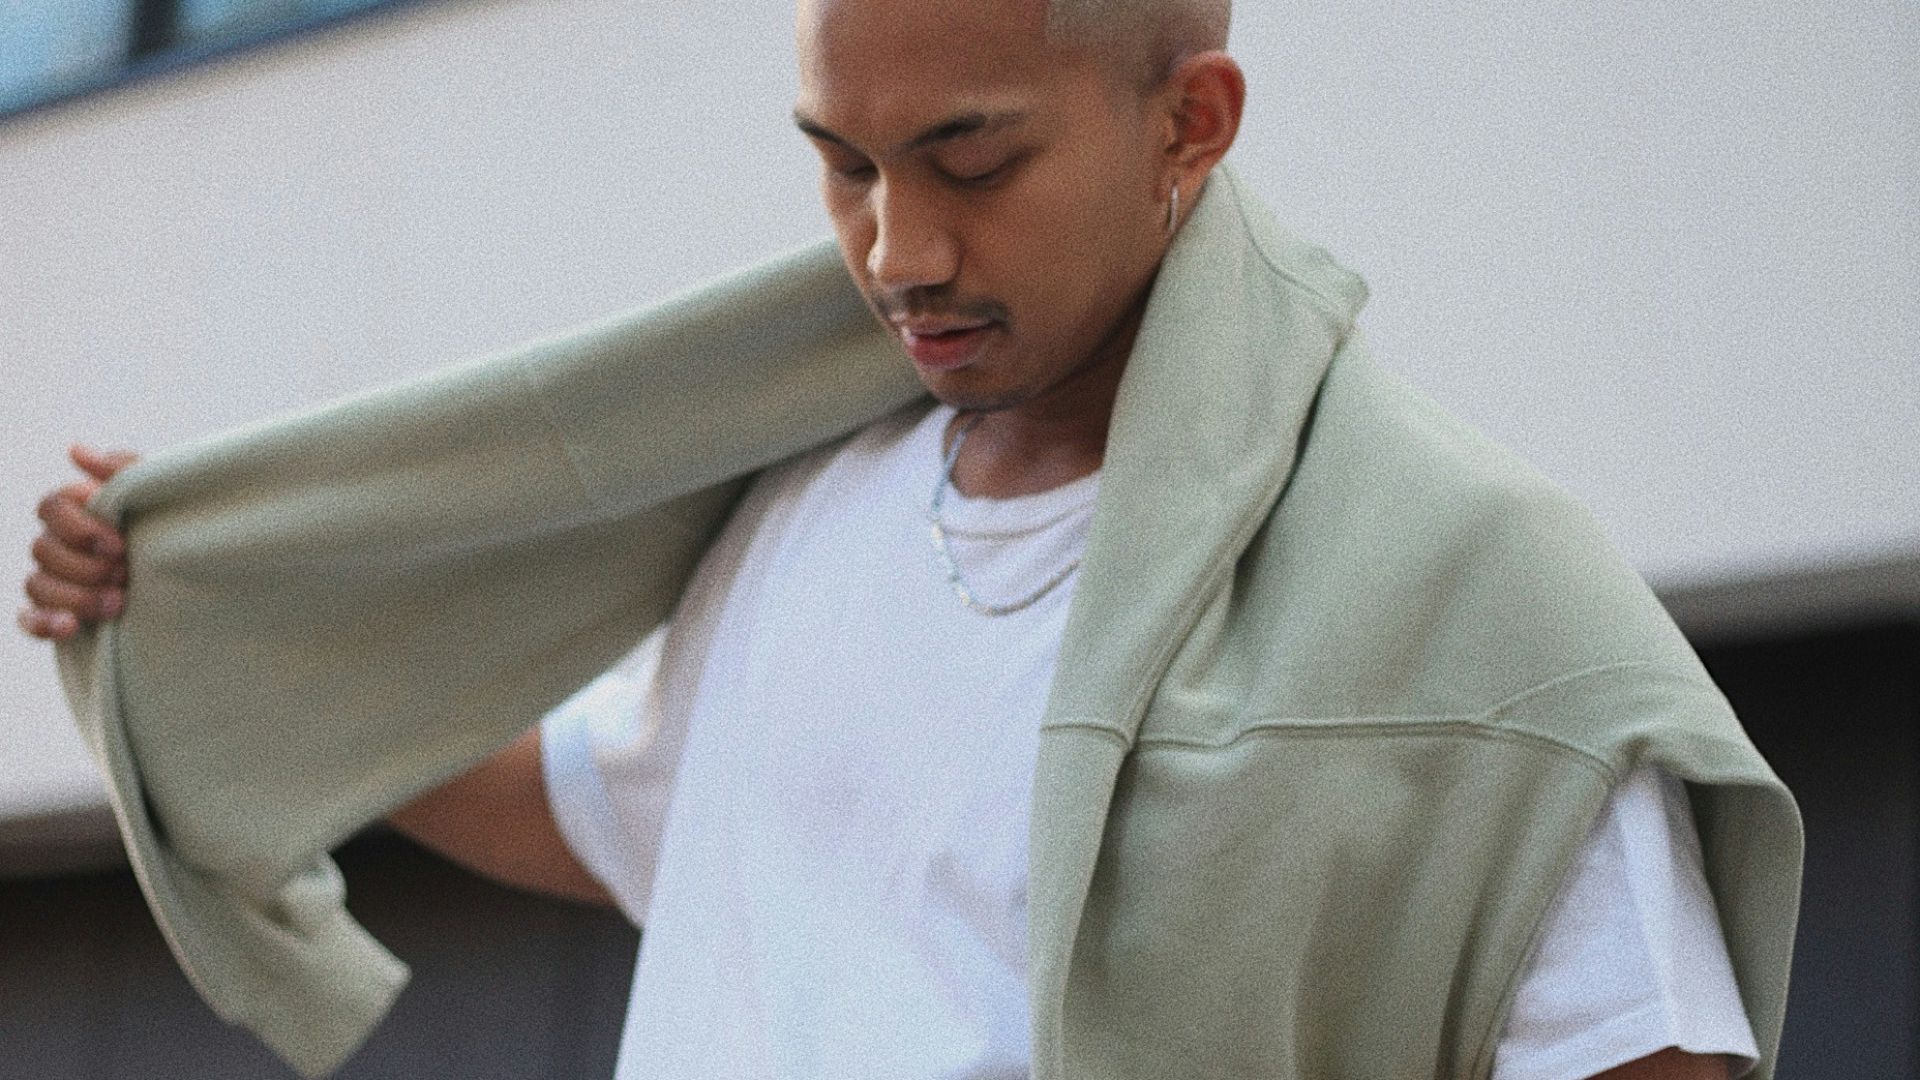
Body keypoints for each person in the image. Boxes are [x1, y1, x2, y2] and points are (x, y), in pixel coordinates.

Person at [20, 1, 1800, 1078]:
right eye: (843, 164)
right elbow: (615, 810)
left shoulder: (1478, 604)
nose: (895, 251)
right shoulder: (807, 499)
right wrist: (218, 624)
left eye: (969, 159)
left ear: (1190, 121)